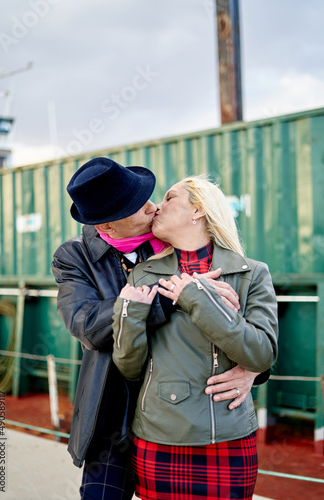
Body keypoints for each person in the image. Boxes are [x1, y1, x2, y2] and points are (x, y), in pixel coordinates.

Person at [52, 158, 266, 500]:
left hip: (184, 410)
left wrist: (254, 368)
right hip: (115, 415)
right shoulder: (75, 257)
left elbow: (246, 313)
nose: (153, 208)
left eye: (150, 198)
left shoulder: (178, 239)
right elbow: (87, 324)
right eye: (139, 207)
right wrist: (174, 298)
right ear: (110, 225)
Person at [112, 175, 279, 500]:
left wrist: (196, 297)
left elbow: (261, 355)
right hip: (156, 439)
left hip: (227, 439)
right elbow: (129, 367)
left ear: (198, 210)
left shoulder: (252, 273)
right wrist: (128, 311)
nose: (157, 206)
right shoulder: (142, 274)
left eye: (170, 198)